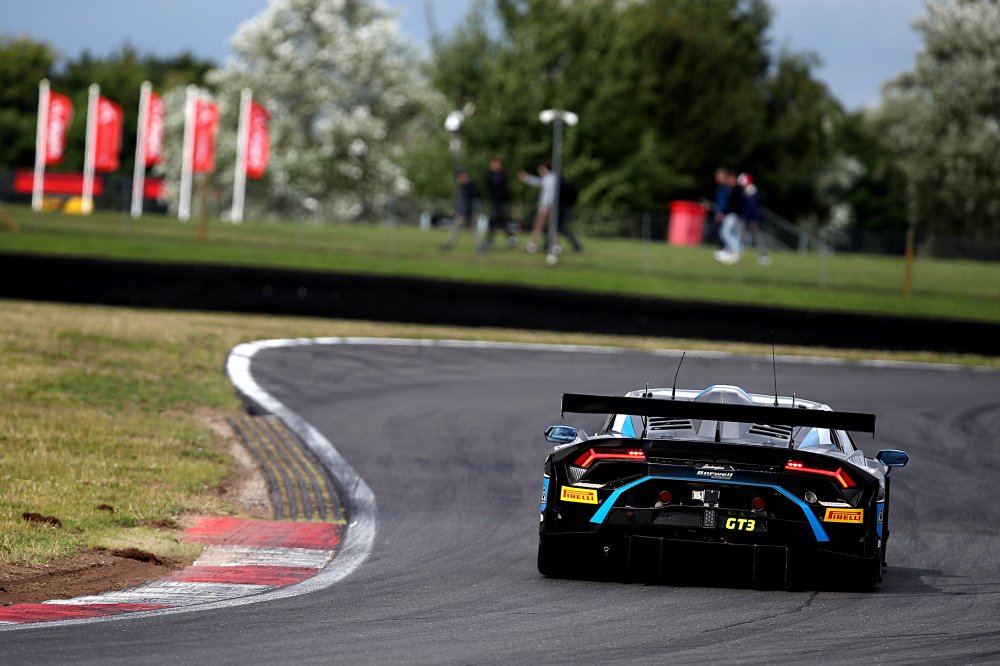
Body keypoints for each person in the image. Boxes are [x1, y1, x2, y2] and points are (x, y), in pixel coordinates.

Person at [519, 162, 582, 254]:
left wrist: (544, 207)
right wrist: (527, 178)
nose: (539, 171)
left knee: (539, 226)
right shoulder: (551, 178)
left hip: (547, 207)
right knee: (552, 227)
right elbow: (539, 182)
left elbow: (547, 194)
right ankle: (555, 246)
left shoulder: (549, 178)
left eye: (541, 169)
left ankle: (534, 245)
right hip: (550, 206)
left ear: (546, 169)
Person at [478, 158, 517, 252]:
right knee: (500, 221)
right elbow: (489, 189)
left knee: (494, 221)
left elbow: (506, 190)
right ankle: (510, 238)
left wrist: (500, 198)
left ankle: (489, 240)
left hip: (500, 202)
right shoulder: (490, 176)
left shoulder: (503, 176)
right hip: (494, 202)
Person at [440, 169, 478, 251]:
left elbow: (469, 199)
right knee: (457, 229)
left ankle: (479, 245)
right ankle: (448, 245)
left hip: (468, 211)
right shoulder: (464, 186)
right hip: (463, 211)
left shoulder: (470, 185)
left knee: (472, 230)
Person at [739, 172, 771, 265]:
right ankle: (739, 253)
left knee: (757, 237)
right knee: (744, 236)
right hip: (748, 218)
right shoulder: (747, 192)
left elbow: (752, 207)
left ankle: (764, 255)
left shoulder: (751, 192)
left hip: (752, 219)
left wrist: (750, 218)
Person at [714, 170, 745, 264]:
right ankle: (731, 252)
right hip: (733, 214)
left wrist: (723, 213)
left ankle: (735, 252)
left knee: (726, 232)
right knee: (731, 233)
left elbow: (733, 204)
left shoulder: (737, 190)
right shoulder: (732, 189)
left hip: (734, 215)